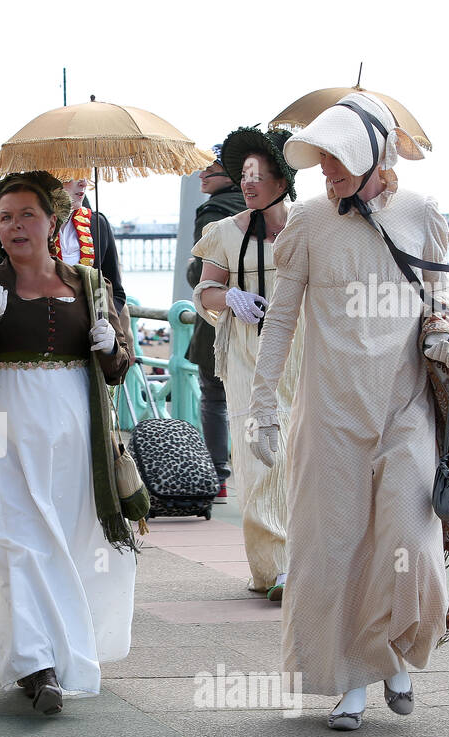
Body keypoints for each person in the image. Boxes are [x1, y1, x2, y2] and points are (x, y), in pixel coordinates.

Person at [249, 92, 449, 731]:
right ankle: (351, 681)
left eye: (337, 160)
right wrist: (262, 401)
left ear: (375, 155)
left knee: (409, 537)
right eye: (321, 161)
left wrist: (441, 324)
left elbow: (440, 292)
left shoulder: (420, 213)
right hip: (330, 411)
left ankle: (398, 654)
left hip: (406, 405)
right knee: (338, 546)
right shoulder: (308, 222)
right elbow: (282, 321)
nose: (326, 173)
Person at [0, 171, 137, 716]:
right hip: (2, 424)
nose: (16, 226)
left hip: (74, 429)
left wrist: (109, 345)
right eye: (5, 217)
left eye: (27, 214)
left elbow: (118, 369)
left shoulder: (87, 282)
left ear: (51, 221)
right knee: (20, 538)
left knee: (68, 539)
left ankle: (58, 651)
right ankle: (38, 666)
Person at [192, 126, 301, 600]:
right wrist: (229, 297)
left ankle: (304, 561)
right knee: (258, 459)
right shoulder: (223, 232)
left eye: (260, 174)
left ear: (284, 178)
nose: (250, 183)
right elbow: (204, 291)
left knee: (302, 459)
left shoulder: (311, 226)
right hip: (245, 356)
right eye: (245, 174)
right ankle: (273, 568)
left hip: (303, 356)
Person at [186, 146, 247, 498]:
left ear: (231, 175)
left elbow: (201, 268)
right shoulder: (261, 207)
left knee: (214, 396)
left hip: (218, 312)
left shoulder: (213, 211)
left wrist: (191, 271)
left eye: (210, 170)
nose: (202, 175)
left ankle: (218, 476)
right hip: (262, 311)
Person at [53, 178, 126, 314]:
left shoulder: (98, 224)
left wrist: (103, 322)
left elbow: (116, 292)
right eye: (72, 176)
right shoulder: (29, 225)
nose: (83, 183)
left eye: (85, 175)